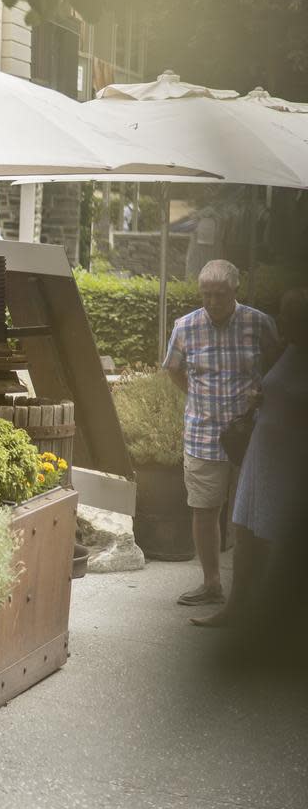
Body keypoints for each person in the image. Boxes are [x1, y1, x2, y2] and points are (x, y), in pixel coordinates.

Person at [163, 260, 279, 608]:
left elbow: (279, 362)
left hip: (251, 436)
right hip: (203, 433)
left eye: (220, 294)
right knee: (204, 509)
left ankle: (255, 589)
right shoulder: (185, 327)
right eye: (206, 294)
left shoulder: (258, 323)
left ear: (235, 291)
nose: (212, 301)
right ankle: (211, 583)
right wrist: (199, 398)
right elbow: (173, 368)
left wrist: (264, 394)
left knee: (252, 514)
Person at [192, 288, 307, 628]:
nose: (281, 321)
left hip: (292, 463)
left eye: (288, 316)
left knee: (283, 539)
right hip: (264, 458)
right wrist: (260, 397)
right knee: (246, 534)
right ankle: (235, 609)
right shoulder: (289, 350)